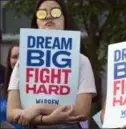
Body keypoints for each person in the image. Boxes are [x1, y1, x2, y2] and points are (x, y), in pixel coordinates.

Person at [7, 0, 97, 129]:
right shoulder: (23, 63)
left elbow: (81, 111)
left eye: (55, 12)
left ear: (65, 19)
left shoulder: (81, 61)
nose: (48, 16)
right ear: (36, 22)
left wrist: (39, 108)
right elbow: (11, 112)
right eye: (42, 14)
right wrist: (45, 120)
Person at [1, 43, 22, 129]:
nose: (18, 61)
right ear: (9, 61)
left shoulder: (39, 90)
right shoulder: (1, 89)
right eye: (14, 57)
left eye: (22, 57)